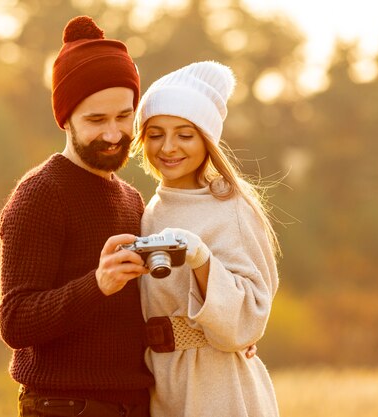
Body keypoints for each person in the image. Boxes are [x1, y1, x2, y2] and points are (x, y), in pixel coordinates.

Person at [0, 16, 154, 417]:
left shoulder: (132, 199)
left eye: (123, 116)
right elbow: (14, 322)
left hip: (135, 405)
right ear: (65, 119)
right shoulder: (39, 195)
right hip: (64, 407)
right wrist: (97, 284)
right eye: (96, 120)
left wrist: (220, 338)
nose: (115, 133)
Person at [130, 61, 281, 416]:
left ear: (206, 140)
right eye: (155, 134)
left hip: (220, 388)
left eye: (184, 135)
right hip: (161, 386)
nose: (168, 147)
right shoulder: (149, 211)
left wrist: (201, 258)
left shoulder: (232, 206)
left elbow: (249, 319)